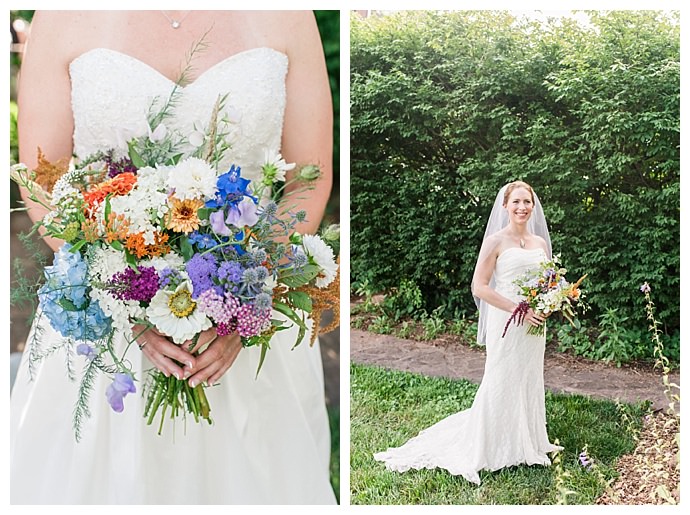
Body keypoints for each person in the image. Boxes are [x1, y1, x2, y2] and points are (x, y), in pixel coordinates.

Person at [11, 10, 336, 504]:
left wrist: (242, 307)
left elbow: (308, 179)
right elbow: (42, 182)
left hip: (249, 315)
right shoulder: (61, 14)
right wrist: (122, 296)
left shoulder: (290, 14)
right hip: (108, 327)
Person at [374, 181, 562, 484]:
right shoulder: (496, 241)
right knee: (500, 377)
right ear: (505, 206)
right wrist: (520, 309)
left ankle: (527, 441)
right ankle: (490, 445)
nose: (522, 208)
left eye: (527, 202)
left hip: (534, 326)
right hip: (508, 321)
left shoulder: (540, 243)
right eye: (516, 202)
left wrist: (548, 305)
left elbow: (549, 284)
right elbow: (479, 287)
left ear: (534, 205)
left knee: (528, 376)